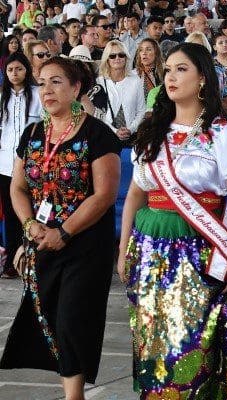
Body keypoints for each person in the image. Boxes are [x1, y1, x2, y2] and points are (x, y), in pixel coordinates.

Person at [117, 42, 227, 399]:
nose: (171, 77)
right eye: (168, 70)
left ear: (202, 79)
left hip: (198, 252)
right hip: (149, 252)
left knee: (192, 346)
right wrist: (123, 251)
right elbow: (135, 194)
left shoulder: (221, 133)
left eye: (181, 69)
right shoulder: (152, 130)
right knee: (155, 343)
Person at [0, 56, 121, 399]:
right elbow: (18, 187)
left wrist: (64, 231)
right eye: (42, 83)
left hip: (84, 244)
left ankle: (73, 395)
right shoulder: (33, 134)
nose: (47, 90)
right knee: (50, 319)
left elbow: (104, 195)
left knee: (72, 320)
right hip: (42, 242)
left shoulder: (98, 134)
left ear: (76, 87)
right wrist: (29, 225)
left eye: (56, 82)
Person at [0, 53, 42, 279]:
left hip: (33, 164)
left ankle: (34, 258)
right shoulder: (2, 97)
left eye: (19, 69)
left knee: (33, 212)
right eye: (10, 70)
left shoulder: (38, 94)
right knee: (10, 213)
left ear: (26, 70)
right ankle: (12, 262)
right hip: (5, 164)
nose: (14, 74)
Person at [97, 40, 146, 143]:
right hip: (106, 136)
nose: (117, 58)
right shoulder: (100, 82)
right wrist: (115, 131)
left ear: (126, 57)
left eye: (121, 55)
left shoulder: (135, 80)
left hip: (131, 137)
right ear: (107, 59)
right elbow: (98, 113)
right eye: (112, 56)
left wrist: (131, 129)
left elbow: (141, 110)